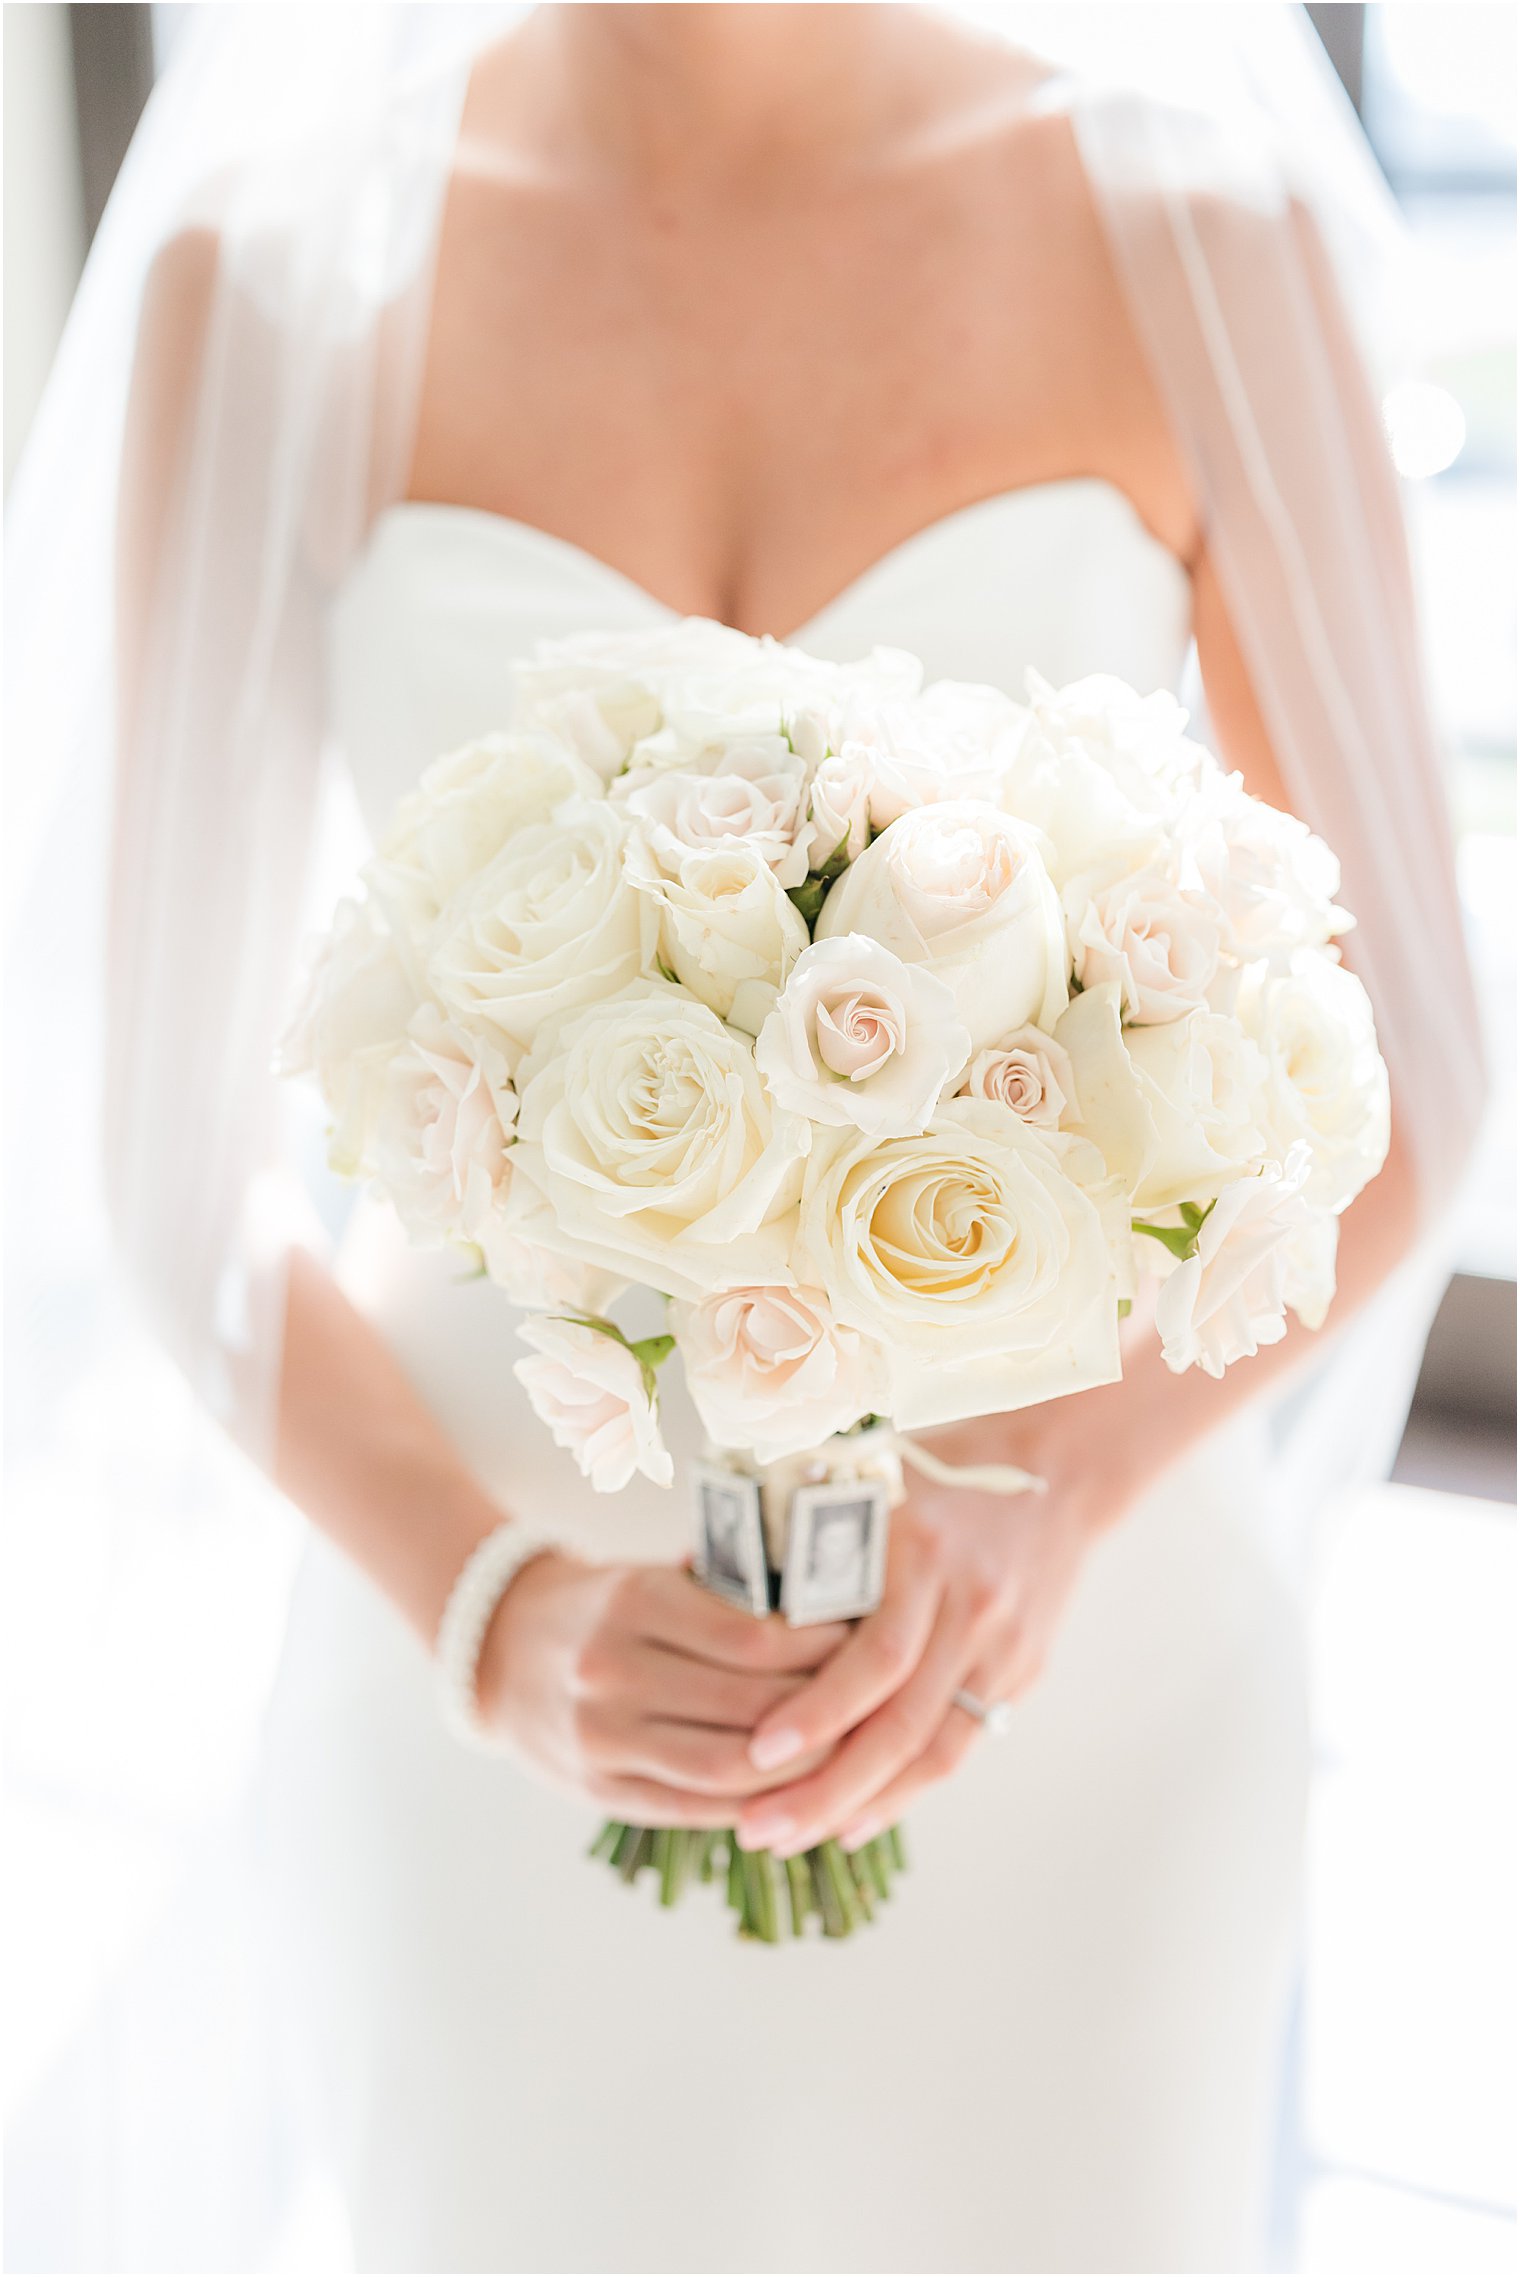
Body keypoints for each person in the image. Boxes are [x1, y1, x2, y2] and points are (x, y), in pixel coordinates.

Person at [17, 4, 1481, 2270]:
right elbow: (162, 1151)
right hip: (505, 1660)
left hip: (1061, 1677)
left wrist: (1042, 1504)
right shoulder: (275, 271)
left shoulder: (1202, 228)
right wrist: (490, 1610)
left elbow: (1413, 1079)